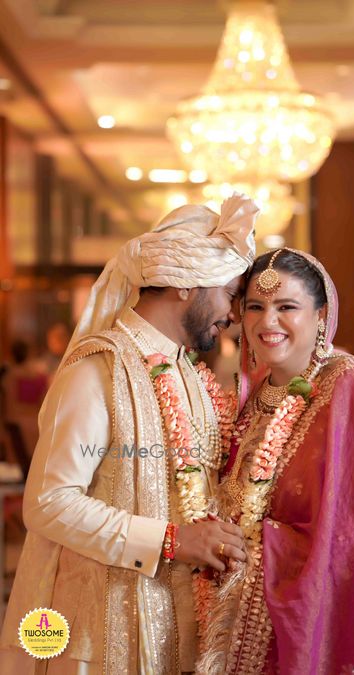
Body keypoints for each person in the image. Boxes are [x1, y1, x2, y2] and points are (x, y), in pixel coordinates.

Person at [0, 193, 259, 674]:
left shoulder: (190, 375)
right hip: (99, 636)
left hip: (175, 630)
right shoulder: (98, 369)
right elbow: (49, 502)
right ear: (186, 284)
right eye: (229, 293)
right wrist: (170, 541)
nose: (234, 314)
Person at [197, 248, 354, 674]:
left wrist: (257, 547)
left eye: (287, 307)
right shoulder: (255, 398)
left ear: (321, 315)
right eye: (255, 307)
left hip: (327, 631)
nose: (267, 321)